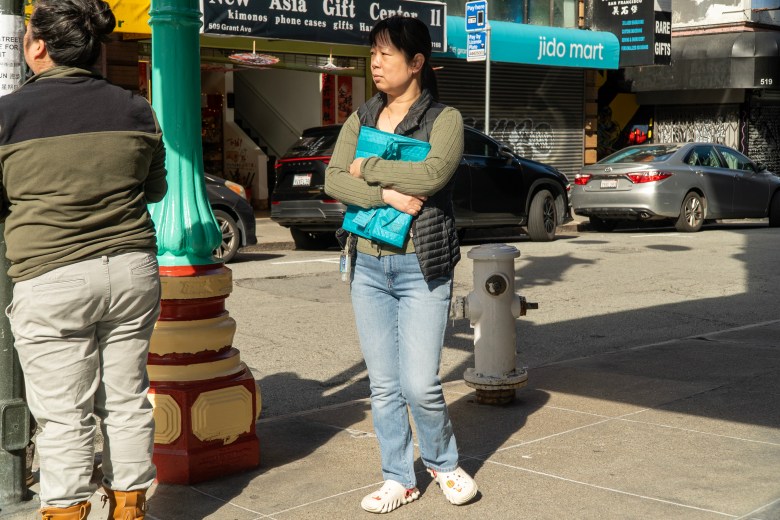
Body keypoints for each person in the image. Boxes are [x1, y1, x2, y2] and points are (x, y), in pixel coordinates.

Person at [0, 0, 167, 518]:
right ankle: (128, 507)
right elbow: (155, 188)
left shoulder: (8, 115)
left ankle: (68, 509)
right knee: (127, 399)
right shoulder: (135, 107)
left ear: (39, 47)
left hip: (51, 276)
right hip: (132, 270)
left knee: (63, 416)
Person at [324, 15, 478, 514]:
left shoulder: (445, 119)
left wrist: (366, 168)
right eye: (373, 52)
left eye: (386, 54)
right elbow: (331, 180)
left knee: (419, 383)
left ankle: (442, 462)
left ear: (416, 63)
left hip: (421, 266)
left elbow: (433, 173)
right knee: (384, 384)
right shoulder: (360, 117)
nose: (375, 62)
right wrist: (388, 192)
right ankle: (398, 476)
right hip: (367, 267)